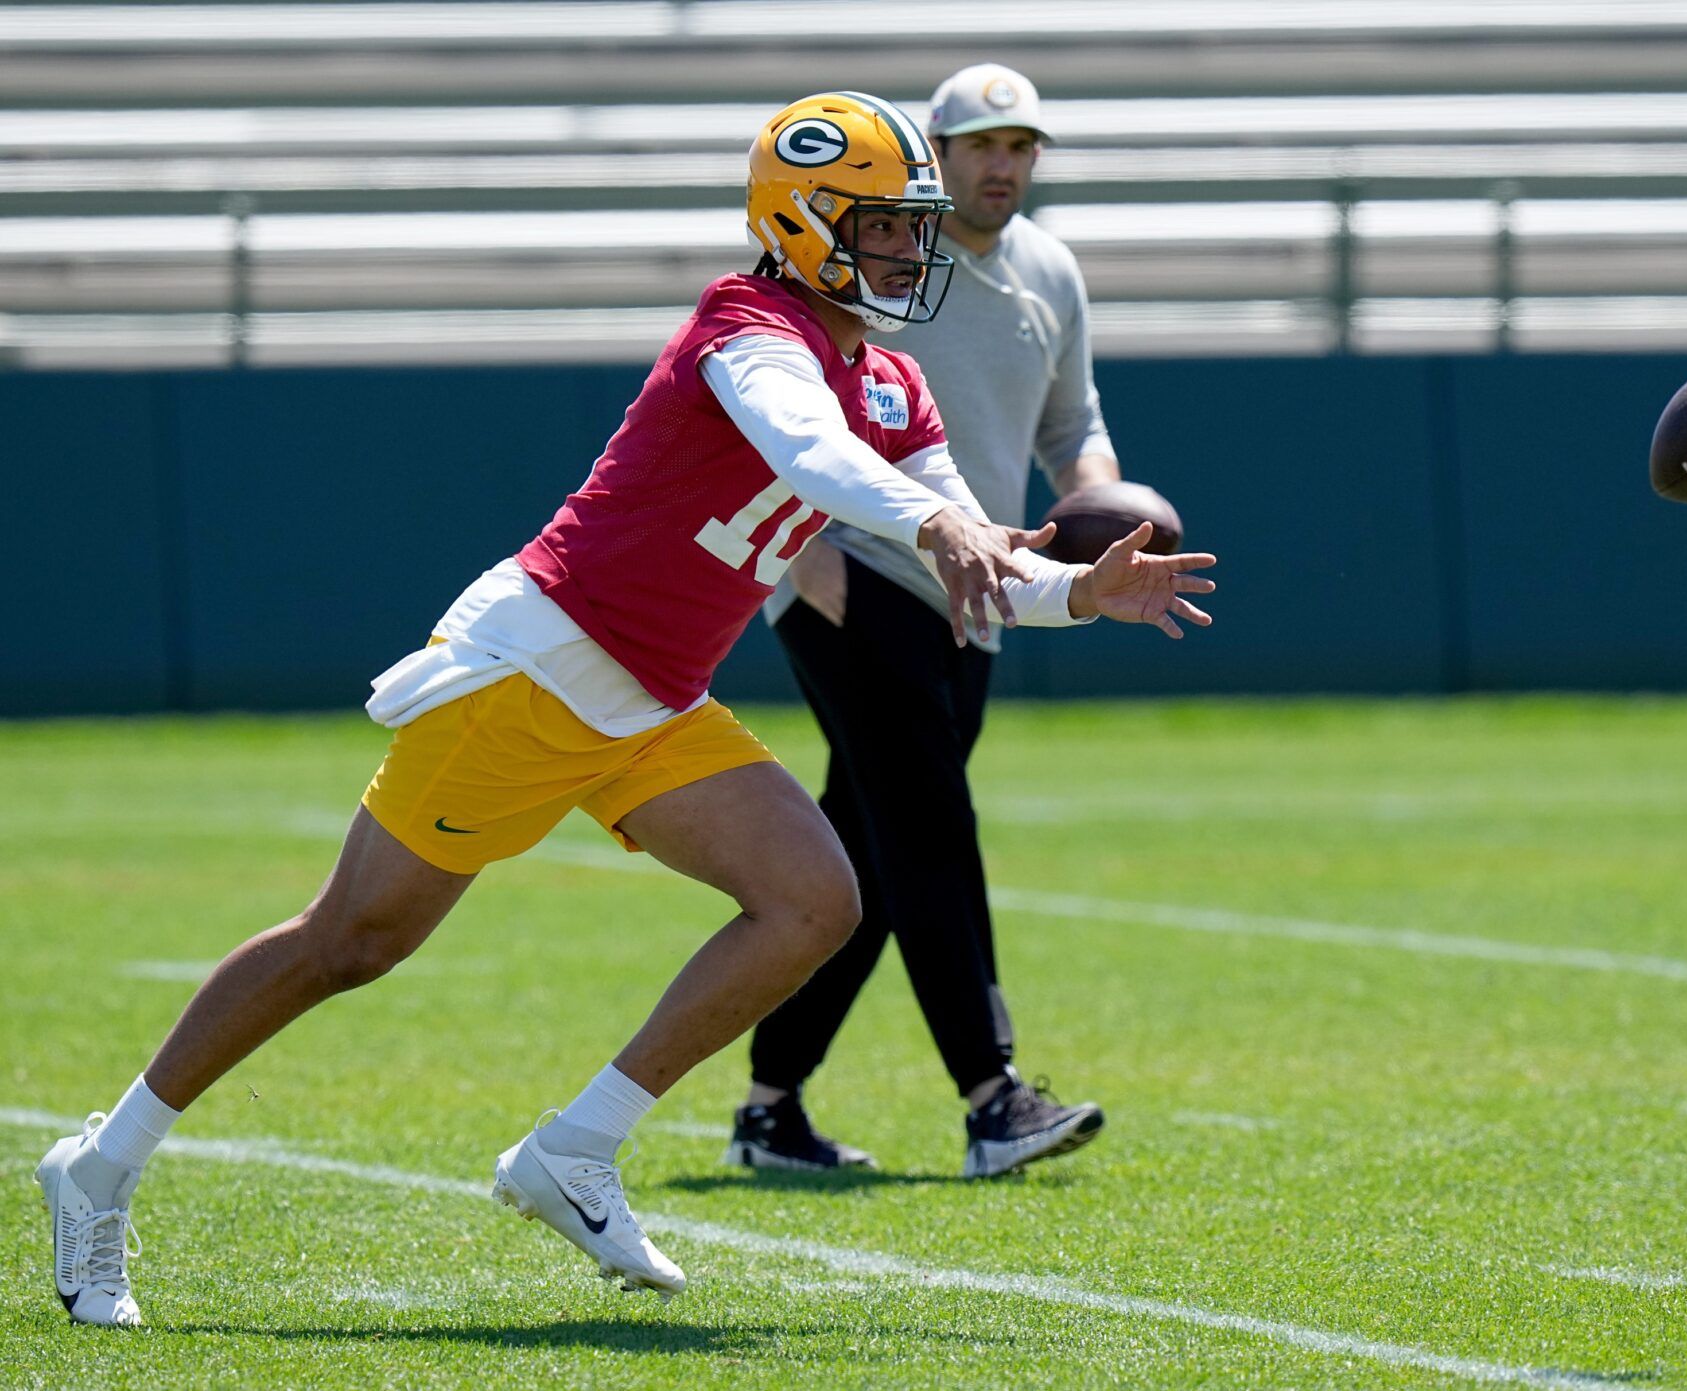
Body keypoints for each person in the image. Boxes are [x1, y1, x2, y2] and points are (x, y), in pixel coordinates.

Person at [34, 90, 1216, 1328]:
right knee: (353, 942)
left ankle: (575, 1147)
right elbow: (810, 454)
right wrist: (936, 519)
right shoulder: (743, 323)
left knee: (814, 898)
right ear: (803, 221)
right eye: (881, 228)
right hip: (538, 668)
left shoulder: (893, 383)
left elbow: (973, 561)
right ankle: (101, 1163)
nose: (907, 253)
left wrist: (1083, 588)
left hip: (651, 699)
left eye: (911, 229)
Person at [730, 66, 1144, 1181]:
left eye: (1021, 145)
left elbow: (1075, 426)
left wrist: (1109, 511)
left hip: (983, 585)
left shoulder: (1051, 270)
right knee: (930, 828)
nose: (1001, 164)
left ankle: (770, 1103)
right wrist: (798, 548)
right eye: (979, 145)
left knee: (862, 851)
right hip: (857, 575)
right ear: (938, 155)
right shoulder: (877, 253)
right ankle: (991, 1091)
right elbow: (783, 396)